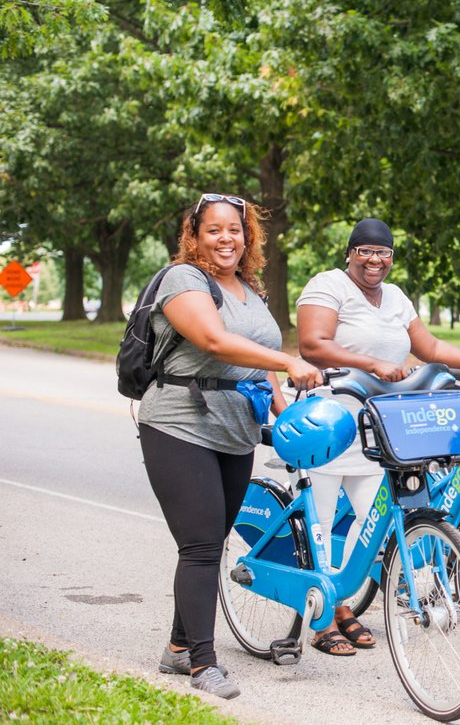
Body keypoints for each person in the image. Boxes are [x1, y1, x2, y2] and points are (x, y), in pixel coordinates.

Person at [296, 218, 460, 656]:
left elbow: (429, 348)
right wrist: (372, 364)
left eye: (384, 253)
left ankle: (341, 603)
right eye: (366, 251)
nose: (375, 259)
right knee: (317, 521)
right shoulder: (328, 285)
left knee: (371, 521)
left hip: (378, 426)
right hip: (329, 421)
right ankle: (325, 618)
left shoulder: (395, 298)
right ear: (350, 253)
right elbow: (312, 344)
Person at [139, 194, 322, 700]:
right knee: (199, 544)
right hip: (179, 423)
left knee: (213, 541)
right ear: (194, 235)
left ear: (248, 237)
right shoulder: (182, 281)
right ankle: (203, 663)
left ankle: (178, 647)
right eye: (214, 230)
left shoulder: (249, 289)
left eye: (235, 230)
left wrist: (284, 406)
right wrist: (288, 361)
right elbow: (215, 342)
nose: (226, 239)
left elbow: (256, 357)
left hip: (235, 428)